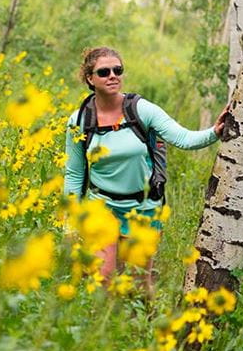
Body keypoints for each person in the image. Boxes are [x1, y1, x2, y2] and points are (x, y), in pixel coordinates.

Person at [63, 46, 228, 285]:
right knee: (102, 278)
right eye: (104, 72)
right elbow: (74, 173)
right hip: (102, 205)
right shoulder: (79, 121)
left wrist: (214, 132)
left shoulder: (140, 110)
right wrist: (70, 223)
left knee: (139, 285)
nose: (113, 76)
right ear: (90, 79)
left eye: (118, 70)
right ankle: (107, 310)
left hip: (143, 208)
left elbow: (183, 138)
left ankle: (143, 309)